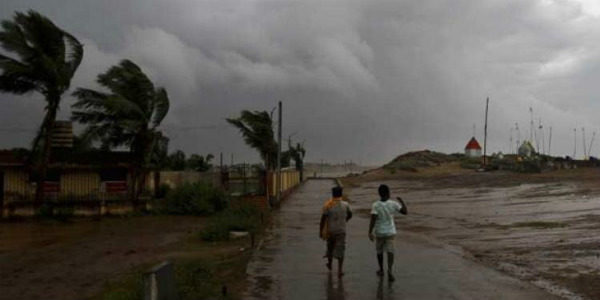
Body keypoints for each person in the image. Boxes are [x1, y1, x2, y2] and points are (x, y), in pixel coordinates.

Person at [368, 184, 407, 282]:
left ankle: (381, 269)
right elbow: (405, 212)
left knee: (379, 252)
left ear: (379, 194)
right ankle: (389, 270)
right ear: (388, 193)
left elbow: (372, 220)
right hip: (390, 232)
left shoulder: (375, 205)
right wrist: (402, 201)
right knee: (390, 251)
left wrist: (369, 232)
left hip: (380, 232)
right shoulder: (393, 204)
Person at [320, 186, 352, 277]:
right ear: (341, 194)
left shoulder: (328, 205)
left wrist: (321, 231)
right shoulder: (345, 204)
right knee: (340, 250)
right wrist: (345, 220)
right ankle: (339, 270)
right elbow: (350, 214)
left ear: (333, 194)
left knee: (330, 248)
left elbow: (323, 219)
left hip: (330, 231)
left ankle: (330, 264)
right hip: (341, 230)